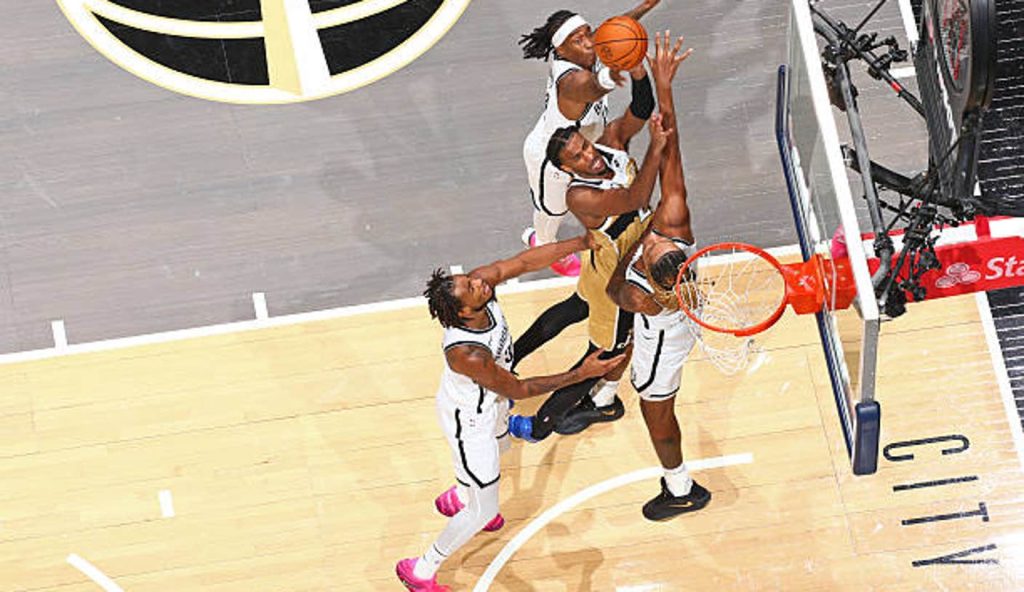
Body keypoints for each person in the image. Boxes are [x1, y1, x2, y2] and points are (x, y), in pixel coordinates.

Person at [396, 235, 626, 591]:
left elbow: (524, 262)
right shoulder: (466, 353)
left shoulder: (480, 289)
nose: (479, 281)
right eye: (471, 287)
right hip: (470, 420)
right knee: (484, 511)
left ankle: (460, 493)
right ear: (463, 312)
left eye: (471, 279)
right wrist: (582, 374)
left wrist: (580, 241)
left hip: (493, 402)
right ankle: (422, 569)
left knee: (504, 448)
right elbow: (520, 389)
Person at [508, 35, 689, 442]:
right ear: (564, 168)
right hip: (615, 272)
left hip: (608, 256)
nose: (587, 155)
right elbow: (637, 196)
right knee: (606, 355)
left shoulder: (608, 143)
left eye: (582, 146)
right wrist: (656, 151)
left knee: (572, 306)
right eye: (576, 157)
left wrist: (639, 69)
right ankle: (540, 426)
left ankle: (511, 357)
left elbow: (640, 110)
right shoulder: (580, 196)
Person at [605, 32, 710, 521]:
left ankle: (681, 487)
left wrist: (631, 252)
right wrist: (664, 87)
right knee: (670, 160)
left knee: (655, 410)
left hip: (665, 335)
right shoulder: (675, 222)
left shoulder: (643, 299)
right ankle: (602, 390)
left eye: (649, 252)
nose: (652, 240)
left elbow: (613, 291)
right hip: (684, 310)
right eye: (657, 241)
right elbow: (673, 150)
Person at [519, 2, 660, 276]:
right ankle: (543, 247)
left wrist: (645, 6)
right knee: (553, 212)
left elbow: (615, 28)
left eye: (587, 33)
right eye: (579, 39)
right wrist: (609, 75)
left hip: (581, 146)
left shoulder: (585, 49)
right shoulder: (568, 82)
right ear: (561, 50)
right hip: (550, 158)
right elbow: (590, 88)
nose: (588, 42)